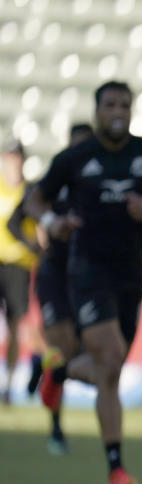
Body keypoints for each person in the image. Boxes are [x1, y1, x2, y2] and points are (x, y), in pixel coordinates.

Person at [24, 81, 142, 484]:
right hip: (87, 271)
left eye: (125, 105)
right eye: (111, 104)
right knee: (110, 357)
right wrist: (51, 224)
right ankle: (116, 470)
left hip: (130, 274)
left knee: (108, 371)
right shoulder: (77, 157)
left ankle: (58, 371)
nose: (118, 111)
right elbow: (34, 201)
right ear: (97, 111)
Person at [10, 123, 95, 454]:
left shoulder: (100, 186)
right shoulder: (54, 181)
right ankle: (56, 430)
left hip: (89, 276)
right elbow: (16, 218)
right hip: (54, 274)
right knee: (61, 345)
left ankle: (40, 366)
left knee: (73, 354)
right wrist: (38, 243)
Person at [0, 138, 37, 404]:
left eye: (16, 157)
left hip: (20, 265)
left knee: (15, 325)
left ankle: (9, 385)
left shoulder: (30, 191)